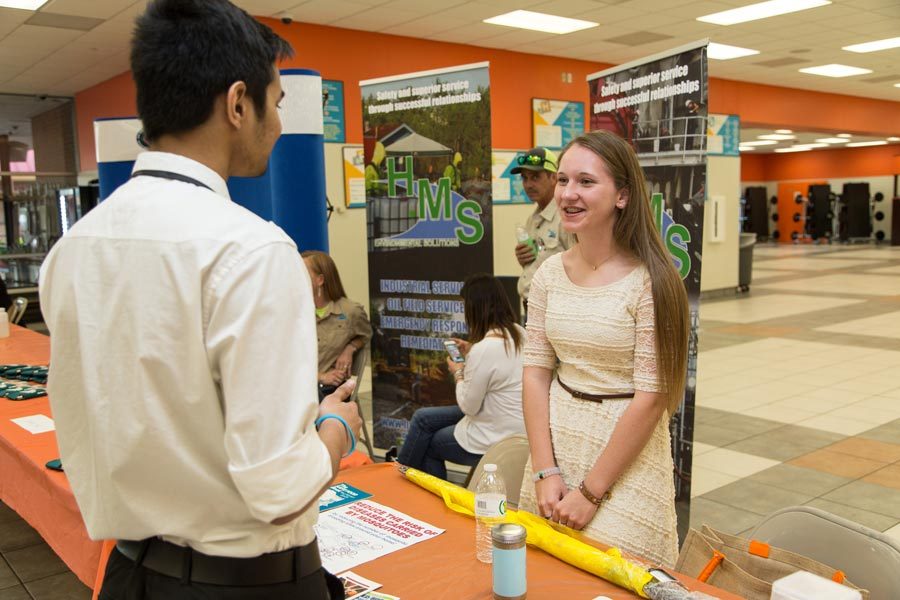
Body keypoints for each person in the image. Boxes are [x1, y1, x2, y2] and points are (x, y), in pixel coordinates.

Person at [39, 2, 360, 598]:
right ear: (238, 104)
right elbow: (279, 489)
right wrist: (336, 427)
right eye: (278, 103)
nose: (281, 125)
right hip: (246, 584)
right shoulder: (254, 250)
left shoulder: (74, 247)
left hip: (129, 574)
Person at [517, 130, 689, 568]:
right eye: (562, 180)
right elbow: (535, 373)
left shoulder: (653, 281)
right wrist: (545, 470)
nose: (568, 194)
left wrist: (592, 492)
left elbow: (652, 400)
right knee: (543, 577)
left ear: (623, 196)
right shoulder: (549, 274)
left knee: (613, 578)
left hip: (624, 459)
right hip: (555, 448)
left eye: (586, 182)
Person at [397, 274, 526, 480]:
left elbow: (468, 406)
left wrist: (458, 371)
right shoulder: (519, 333)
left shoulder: (484, 349)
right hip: (515, 426)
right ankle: (401, 475)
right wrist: (470, 349)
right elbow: (497, 363)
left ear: (475, 309)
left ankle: (415, 487)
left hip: (494, 433)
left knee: (430, 443)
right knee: (422, 418)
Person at [512, 147, 574, 318]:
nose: (528, 184)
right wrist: (523, 259)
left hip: (555, 311)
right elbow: (541, 258)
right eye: (524, 178)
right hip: (530, 307)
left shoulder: (565, 217)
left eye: (535, 177)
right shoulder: (532, 219)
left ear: (553, 177)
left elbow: (581, 266)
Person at [302, 250, 372, 399]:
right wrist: (320, 377)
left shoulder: (351, 311)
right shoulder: (294, 312)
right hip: (299, 387)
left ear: (320, 280)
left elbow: (366, 334)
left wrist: (350, 348)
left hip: (325, 393)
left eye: (303, 273)